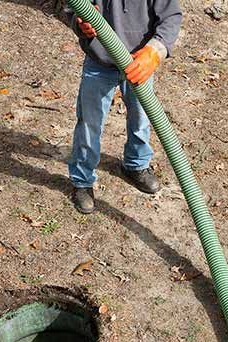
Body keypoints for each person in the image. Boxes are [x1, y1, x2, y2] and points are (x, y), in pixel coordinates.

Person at [65, 0, 182, 214]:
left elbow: (171, 17)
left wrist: (155, 51)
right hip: (99, 64)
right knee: (89, 124)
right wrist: (79, 24)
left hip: (139, 64)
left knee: (141, 119)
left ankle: (135, 166)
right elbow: (72, 9)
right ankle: (82, 180)